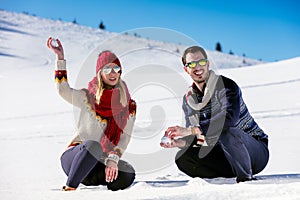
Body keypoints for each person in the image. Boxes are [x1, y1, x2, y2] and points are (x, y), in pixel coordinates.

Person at [161, 46, 269, 183]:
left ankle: (245, 180)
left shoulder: (226, 86)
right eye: (192, 64)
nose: (197, 67)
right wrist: (179, 142)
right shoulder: (189, 100)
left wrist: (189, 130)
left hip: (254, 151)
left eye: (201, 62)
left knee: (225, 131)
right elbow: (198, 136)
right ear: (186, 69)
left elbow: (229, 119)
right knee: (184, 157)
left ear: (207, 64)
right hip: (224, 153)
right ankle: (222, 180)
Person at [46, 37, 137, 191]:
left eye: (116, 68)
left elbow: (123, 139)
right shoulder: (87, 97)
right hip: (76, 157)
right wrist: (60, 59)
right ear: (100, 73)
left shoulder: (129, 106)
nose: (112, 73)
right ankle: (70, 187)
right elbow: (63, 90)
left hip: (98, 164)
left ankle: (101, 183)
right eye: (107, 69)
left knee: (127, 172)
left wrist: (113, 160)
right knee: (93, 146)